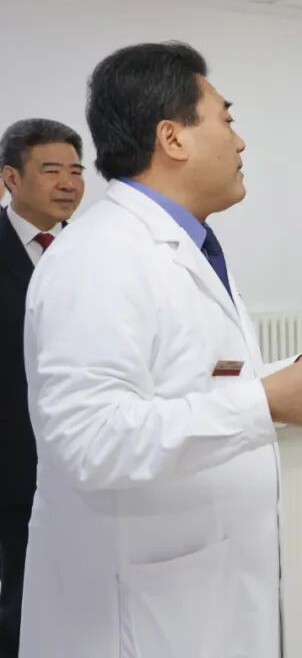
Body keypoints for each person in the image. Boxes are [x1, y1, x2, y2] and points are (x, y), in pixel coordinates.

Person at [19, 41, 302, 657]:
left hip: (206, 589)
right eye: (226, 119)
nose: (240, 142)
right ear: (173, 138)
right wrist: (265, 403)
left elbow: (195, 381)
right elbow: (89, 441)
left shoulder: (186, 244)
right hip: (138, 614)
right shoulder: (101, 257)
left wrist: (291, 374)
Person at [0, 118, 86, 657]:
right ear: (11, 177)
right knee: (19, 593)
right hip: (11, 456)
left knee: (75, 590)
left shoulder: (91, 250)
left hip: (80, 455)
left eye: (76, 170)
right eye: (52, 170)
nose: (69, 183)